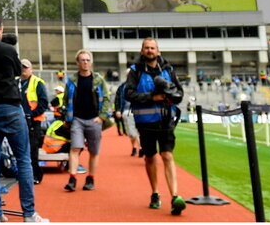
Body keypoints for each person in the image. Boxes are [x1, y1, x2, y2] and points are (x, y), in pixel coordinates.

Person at [0, 15, 46, 222]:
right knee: (23, 160)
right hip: (11, 110)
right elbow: (15, 72)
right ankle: (29, 214)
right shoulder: (8, 50)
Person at [124, 38, 186, 215]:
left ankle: (175, 196)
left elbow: (180, 93)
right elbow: (128, 94)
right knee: (150, 157)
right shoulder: (135, 71)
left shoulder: (168, 69)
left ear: (158, 51)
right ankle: (155, 193)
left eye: (152, 48)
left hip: (166, 120)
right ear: (142, 51)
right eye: (146, 48)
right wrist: (152, 97)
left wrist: (171, 97)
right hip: (145, 123)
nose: (150, 50)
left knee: (167, 155)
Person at [62, 49, 111, 192]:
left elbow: (107, 99)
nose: (85, 62)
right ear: (77, 62)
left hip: (94, 120)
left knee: (93, 152)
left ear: (91, 62)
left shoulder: (98, 79)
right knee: (75, 148)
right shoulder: (71, 81)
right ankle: (72, 178)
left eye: (88, 60)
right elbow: (65, 100)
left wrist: (101, 117)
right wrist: (66, 117)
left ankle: (91, 178)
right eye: (82, 60)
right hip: (77, 119)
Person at [20, 58, 49, 184]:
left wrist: (31, 115)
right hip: (18, 121)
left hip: (34, 122)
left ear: (31, 69)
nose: (23, 70)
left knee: (32, 150)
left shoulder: (37, 83)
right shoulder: (15, 82)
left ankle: (36, 175)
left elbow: (43, 103)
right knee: (20, 150)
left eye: (25, 67)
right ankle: (24, 175)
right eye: (21, 67)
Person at [114, 79, 142, 157]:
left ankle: (140, 148)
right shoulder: (122, 87)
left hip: (139, 110)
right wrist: (118, 110)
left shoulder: (140, 84)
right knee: (132, 134)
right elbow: (117, 99)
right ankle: (135, 147)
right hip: (127, 111)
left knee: (139, 131)